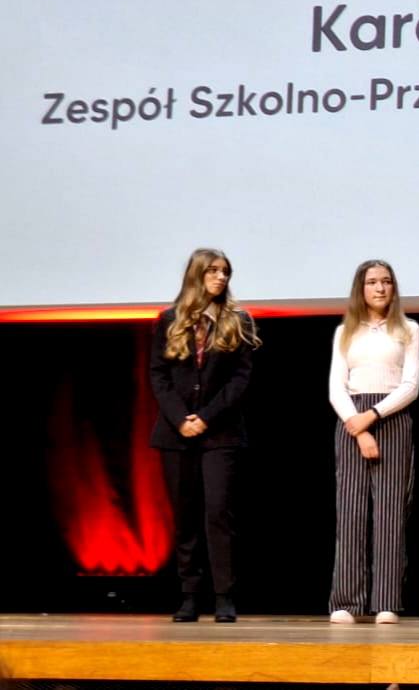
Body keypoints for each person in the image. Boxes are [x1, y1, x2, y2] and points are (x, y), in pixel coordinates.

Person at [149, 248, 260, 623]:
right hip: (175, 434)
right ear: (196, 275)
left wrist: (206, 417)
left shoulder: (237, 321)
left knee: (218, 513)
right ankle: (189, 595)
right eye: (213, 271)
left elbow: (240, 379)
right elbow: (158, 375)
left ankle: (224, 595)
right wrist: (181, 418)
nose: (220, 277)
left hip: (220, 433)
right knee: (185, 515)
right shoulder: (169, 320)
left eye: (225, 271)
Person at [327, 260, 419, 625]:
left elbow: (410, 386)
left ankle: (386, 600)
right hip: (352, 419)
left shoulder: (408, 329)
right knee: (350, 510)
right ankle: (346, 601)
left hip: (391, 418)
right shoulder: (345, 332)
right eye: (372, 282)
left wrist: (374, 416)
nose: (380, 288)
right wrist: (359, 426)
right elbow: (336, 388)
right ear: (361, 289)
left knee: (390, 512)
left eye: (386, 281)